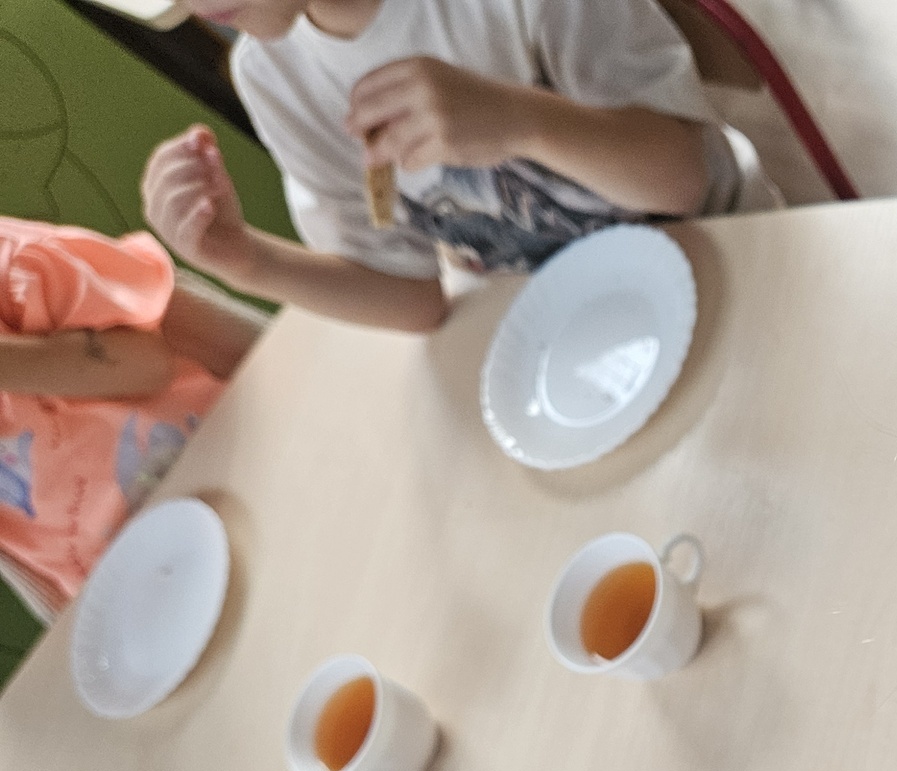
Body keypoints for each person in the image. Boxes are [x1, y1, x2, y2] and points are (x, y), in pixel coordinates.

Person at [140, 0, 748, 332]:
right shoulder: (274, 78)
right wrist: (248, 262)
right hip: (573, 327)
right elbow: (416, 298)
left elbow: (682, 180)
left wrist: (521, 119)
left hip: (728, 260)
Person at [0, 218, 257, 618]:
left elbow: (150, 365)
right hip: (151, 598)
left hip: (236, 475)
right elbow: (36, 573)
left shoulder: (16, 267)